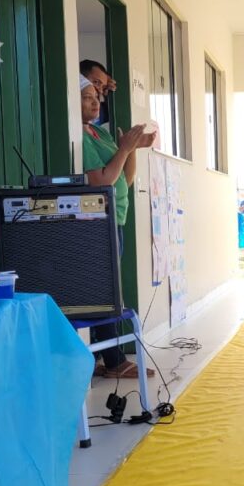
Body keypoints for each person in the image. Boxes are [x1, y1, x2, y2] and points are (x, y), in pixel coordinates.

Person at [79, 74, 156, 379]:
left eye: (96, 97)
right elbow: (101, 181)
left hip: (116, 219)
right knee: (104, 289)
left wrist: (132, 148)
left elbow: (125, 178)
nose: (96, 102)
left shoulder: (99, 133)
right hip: (97, 222)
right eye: (87, 97)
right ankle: (113, 361)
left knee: (107, 287)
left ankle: (101, 358)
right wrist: (124, 148)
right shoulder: (80, 137)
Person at [80, 59, 117, 127]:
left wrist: (107, 95)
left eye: (103, 87)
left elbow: (114, 114)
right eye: (96, 82)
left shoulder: (96, 108)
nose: (100, 91)